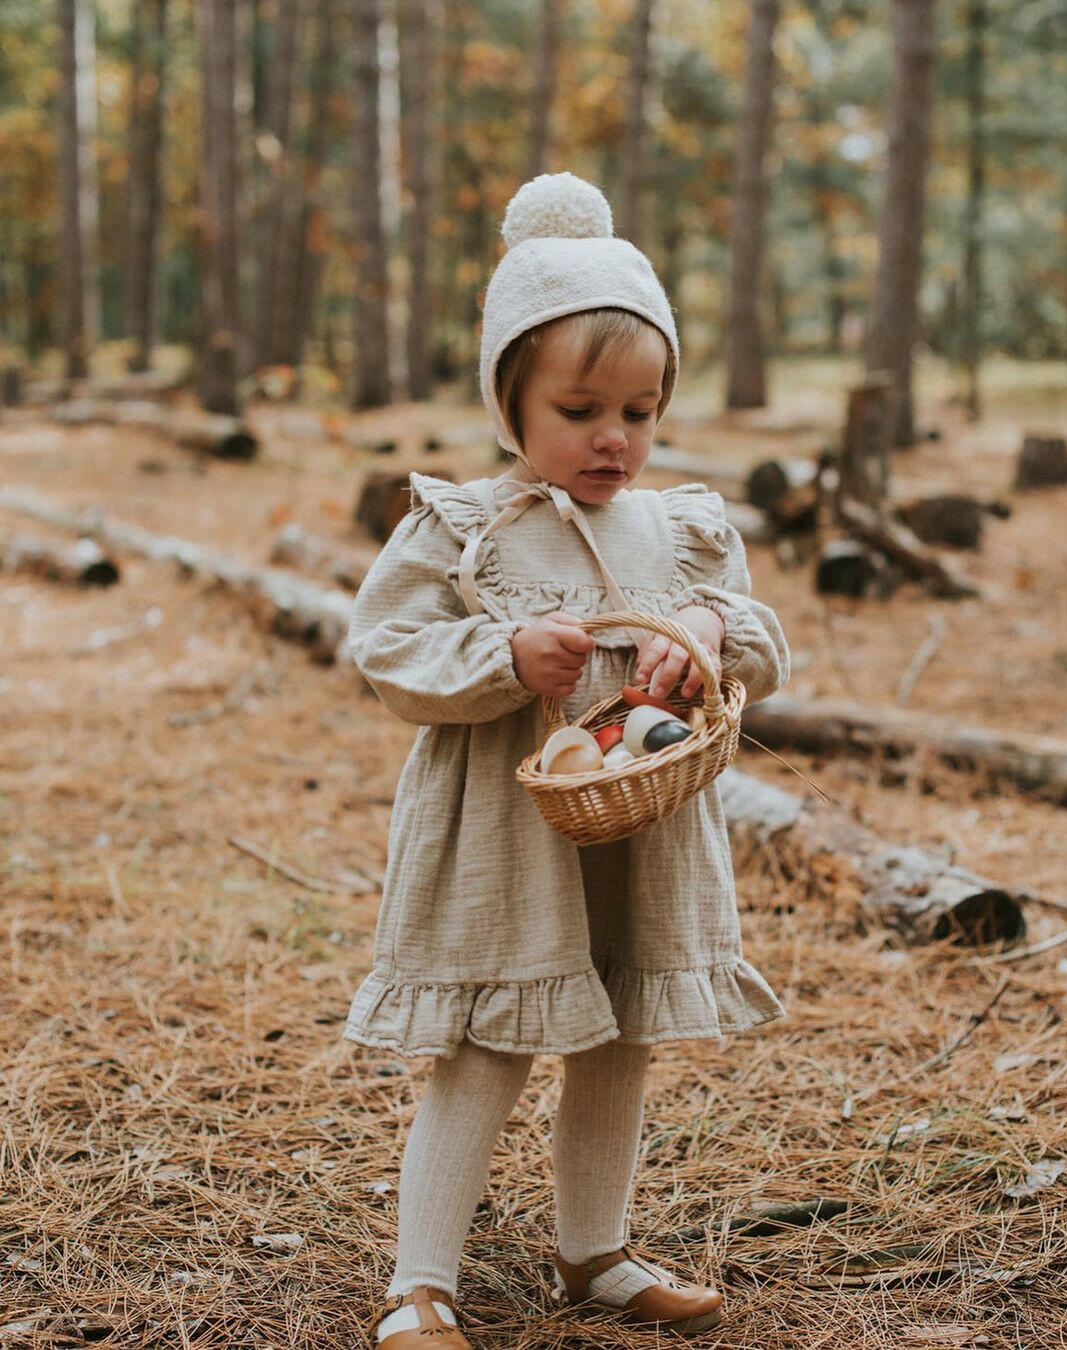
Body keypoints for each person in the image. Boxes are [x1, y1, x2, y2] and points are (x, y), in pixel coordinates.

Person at [346, 173, 791, 1349]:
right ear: (510, 402)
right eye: (580, 408)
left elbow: (764, 643)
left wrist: (705, 631)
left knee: (622, 1037)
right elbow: (386, 649)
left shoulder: (681, 528)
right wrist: (502, 655)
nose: (615, 438)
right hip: (504, 837)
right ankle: (419, 1282)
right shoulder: (463, 527)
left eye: (641, 410)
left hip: (640, 835)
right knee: (490, 1041)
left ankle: (594, 1250)